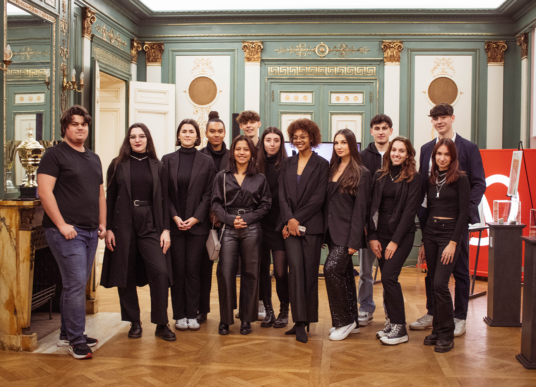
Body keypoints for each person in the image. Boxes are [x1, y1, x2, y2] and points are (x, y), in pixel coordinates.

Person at [37, 105, 106, 360]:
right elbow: (44, 192)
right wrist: (62, 225)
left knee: (73, 285)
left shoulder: (93, 158)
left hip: (89, 232)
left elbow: (99, 193)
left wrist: (102, 223)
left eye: (84, 124)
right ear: (65, 127)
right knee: (76, 284)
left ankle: (68, 332)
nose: (80, 127)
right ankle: (77, 341)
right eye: (74, 123)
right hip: (66, 232)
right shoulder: (54, 155)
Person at [411, 103, 486, 337]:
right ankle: (433, 313)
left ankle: (459, 316)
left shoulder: (468, 147)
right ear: (431, 121)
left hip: (457, 222)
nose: (439, 121)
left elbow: (478, 183)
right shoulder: (425, 149)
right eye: (435, 118)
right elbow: (425, 184)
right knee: (432, 272)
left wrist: (463, 212)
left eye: (443, 117)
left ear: (452, 118)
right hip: (430, 219)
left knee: (460, 269)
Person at [101, 123, 176, 342]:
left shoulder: (158, 166)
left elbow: (164, 199)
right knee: (126, 272)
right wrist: (109, 229)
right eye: (133, 136)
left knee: (160, 272)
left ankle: (162, 323)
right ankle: (134, 321)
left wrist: (165, 229)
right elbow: (110, 198)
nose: (137, 140)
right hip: (123, 222)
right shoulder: (117, 165)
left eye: (141, 136)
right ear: (128, 140)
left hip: (150, 222)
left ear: (147, 139)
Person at [212, 135, 271, 335]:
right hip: (228, 228)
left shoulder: (260, 178)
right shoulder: (222, 176)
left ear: (252, 153)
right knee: (225, 273)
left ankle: (246, 319)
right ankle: (225, 319)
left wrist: (249, 218)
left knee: (250, 273)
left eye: (246, 149)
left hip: (252, 229)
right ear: (232, 151)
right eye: (238, 149)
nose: (242, 153)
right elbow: (216, 203)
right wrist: (229, 219)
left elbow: (266, 204)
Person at [162, 119, 216, 332]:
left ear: (197, 136)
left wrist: (195, 218)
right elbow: (163, 194)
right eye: (183, 131)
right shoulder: (166, 160)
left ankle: (192, 314)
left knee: (194, 270)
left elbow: (209, 194)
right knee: (177, 270)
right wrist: (175, 216)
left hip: (197, 227)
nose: (187, 134)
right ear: (178, 135)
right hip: (174, 226)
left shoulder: (207, 161)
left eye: (191, 131)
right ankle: (179, 314)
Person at [278, 118, 329, 343]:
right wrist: (289, 219)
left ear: (312, 138)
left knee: (309, 273)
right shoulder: (287, 164)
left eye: (303, 136)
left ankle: (307, 319)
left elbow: (319, 198)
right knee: (295, 271)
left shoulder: (322, 164)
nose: (299, 140)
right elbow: (281, 194)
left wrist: (296, 219)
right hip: (290, 227)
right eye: (295, 137)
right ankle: (298, 322)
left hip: (312, 227)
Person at [368, 136, 421, 346]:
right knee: (386, 277)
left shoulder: (414, 179)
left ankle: (400, 328)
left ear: (408, 154)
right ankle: (390, 321)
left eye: (401, 151)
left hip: (401, 236)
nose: (396, 154)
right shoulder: (380, 175)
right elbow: (370, 208)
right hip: (379, 236)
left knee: (389, 277)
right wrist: (372, 237)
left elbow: (409, 213)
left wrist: (395, 242)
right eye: (394, 150)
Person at [422, 138, 470, 353]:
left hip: (448, 235)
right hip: (431, 233)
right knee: (433, 282)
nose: (442, 158)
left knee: (441, 283)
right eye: (438, 154)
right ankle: (437, 329)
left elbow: (463, 214)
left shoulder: (460, 180)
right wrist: (424, 241)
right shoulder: (431, 179)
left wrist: (453, 243)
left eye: (446, 155)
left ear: (453, 157)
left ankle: (447, 333)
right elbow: (429, 210)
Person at [324, 129, 371, 341]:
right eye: (336, 143)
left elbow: (361, 211)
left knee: (331, 269)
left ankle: (344, 321)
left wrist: (354, 241)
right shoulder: (331, 168)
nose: (339, 146)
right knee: (343, 274)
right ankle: (353, 319)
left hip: (348, 234)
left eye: (343, 142)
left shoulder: (362, 172)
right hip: (331, 233)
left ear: (352, 144)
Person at [358, 114, 394, 326]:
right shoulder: (362, 156)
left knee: (389, 272)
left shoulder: (398, 153)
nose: (381, 131)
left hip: (390, 221)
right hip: (368, 220)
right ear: (371, 131)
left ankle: (391, 312)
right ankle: (365, 307)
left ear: (390, 130)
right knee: (365, 271)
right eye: (377, 128)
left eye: (384, 128)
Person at [197, 111, 229, 324]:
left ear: (225, 133)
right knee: (204, 267)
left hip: (229, 218)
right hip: (205, 219)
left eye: (220, 131)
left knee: (227, 268)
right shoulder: (199, 156)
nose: (216, 135)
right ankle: (202, 309)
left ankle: (228, 313)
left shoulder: (234, 155)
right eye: (212, 131)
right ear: (206, 133)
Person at [257, 127, 290, 328]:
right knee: (261, 270)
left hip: (280, 225)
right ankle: (268, 311)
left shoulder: (288, 165)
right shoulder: (255, 165)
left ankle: (284, 310)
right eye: (268, 140)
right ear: (263, 143)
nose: (271, 144)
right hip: (259, 224)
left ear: (281, 143)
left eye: (276, 140)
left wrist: (286, 222)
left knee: (280, 272)